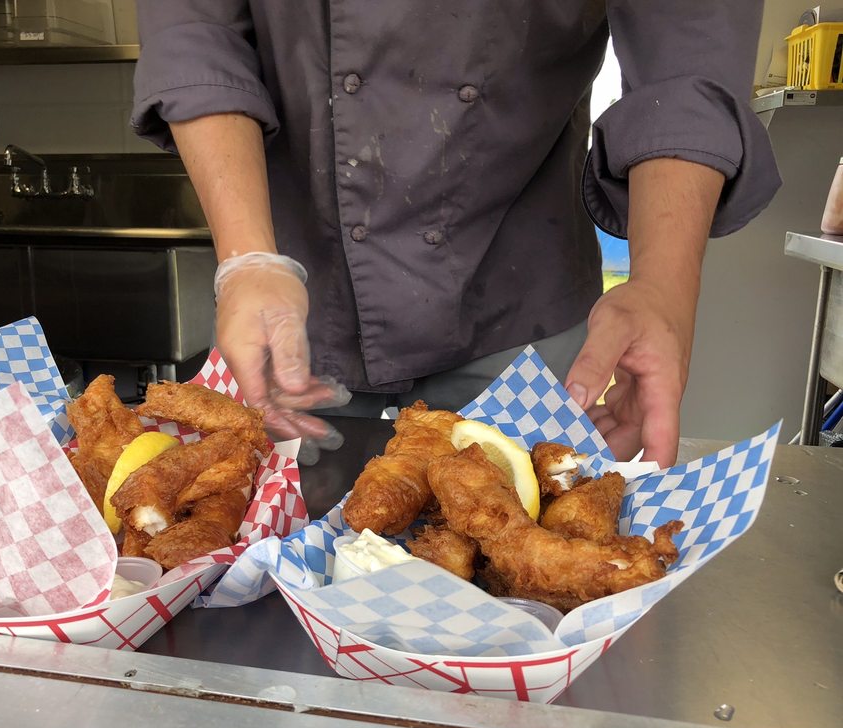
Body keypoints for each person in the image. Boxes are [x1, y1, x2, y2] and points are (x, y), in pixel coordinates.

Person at [131, 2, 780, 467]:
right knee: (278, 579)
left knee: (526, 540)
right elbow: (196, 33)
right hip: (298, 284)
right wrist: (247, 258)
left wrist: (664, 286)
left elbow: (688, 46)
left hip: (518, 283)